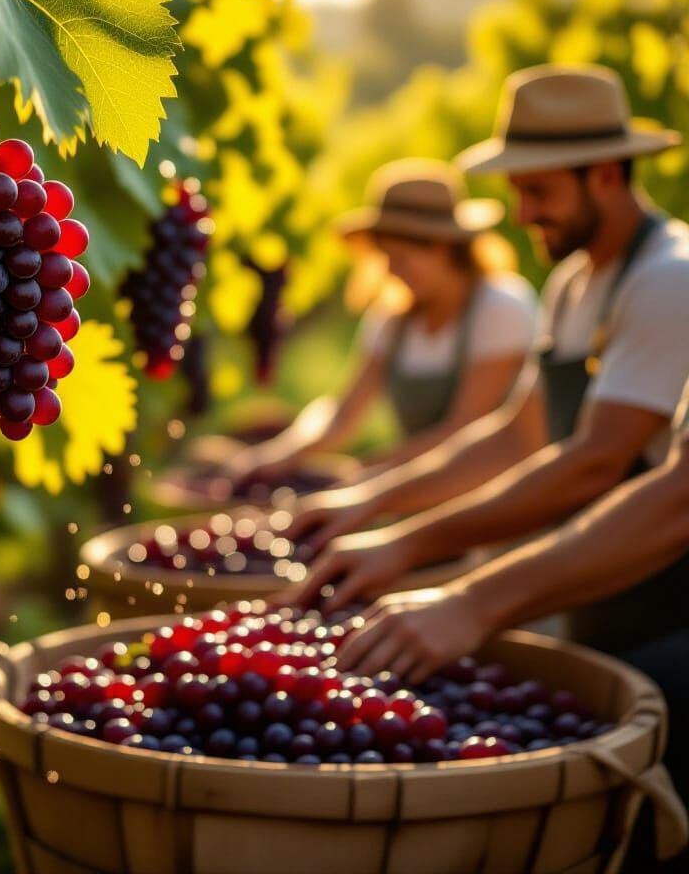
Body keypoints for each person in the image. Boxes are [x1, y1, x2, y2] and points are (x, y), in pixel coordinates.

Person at [285, 64, 689, 664]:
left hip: (669, 618)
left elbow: (594, 464)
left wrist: (433, 565)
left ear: (606, 175)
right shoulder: (573, 284)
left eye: (538, 192)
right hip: (596, 598)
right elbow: (515, 436)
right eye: (516, 192)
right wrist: (379, 509)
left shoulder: (668, 278)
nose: (521, 214)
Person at [334, 381, 689, 869]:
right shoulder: (588, 322)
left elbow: (653, 484)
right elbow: (520, 434)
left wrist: (469, 602)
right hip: (610, 620)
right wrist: (380, 510)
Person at [229, 159, 537, 487]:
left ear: (443, 247)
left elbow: (464, 431)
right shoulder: (394, 320)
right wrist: (284, 452)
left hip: (500, 492)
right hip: (417, 487)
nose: (392, 271)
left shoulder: (500, 308)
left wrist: (367, 473)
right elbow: (343, 412)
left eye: (401, 258)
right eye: (386, 257)